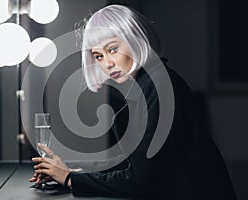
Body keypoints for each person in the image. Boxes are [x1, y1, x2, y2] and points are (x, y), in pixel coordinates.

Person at [29, 4, 237, 199]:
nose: (107, 63)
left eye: (112, 49)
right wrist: (72, 171)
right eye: (98, 56)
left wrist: (69, 178)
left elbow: (143, 179)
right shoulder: (149, 83)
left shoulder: (159, 86)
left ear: (136, 39)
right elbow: (131, 163)